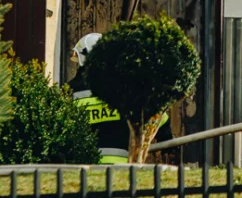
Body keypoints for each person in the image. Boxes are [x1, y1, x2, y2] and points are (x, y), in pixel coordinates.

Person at [68, 32, 172, 164]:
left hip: (83, 168)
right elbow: (157, 115)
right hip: (121, 167)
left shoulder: (69, 91)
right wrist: (166, 137)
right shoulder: (125, 87)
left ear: (82, 58)